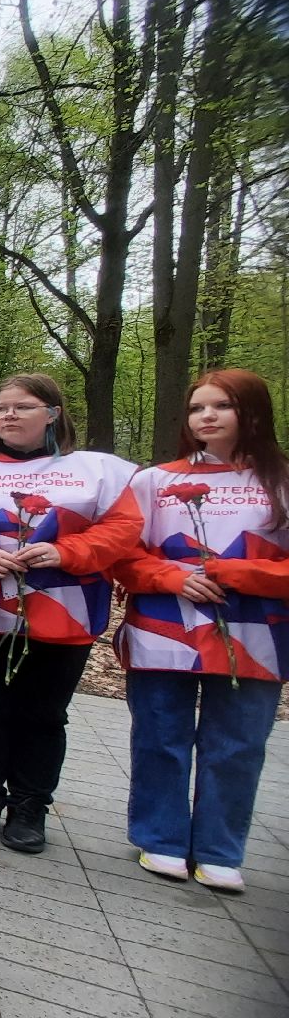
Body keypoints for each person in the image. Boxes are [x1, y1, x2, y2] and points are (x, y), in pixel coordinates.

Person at [0, 373, 140, 854]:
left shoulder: (98, 471)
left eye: (23, 407)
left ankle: (30, 808)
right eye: (1, 407)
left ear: (53, 414)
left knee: (44, 713)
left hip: (65, 606)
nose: (9, 415)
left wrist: (69, 552)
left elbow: (124, 528)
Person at [111, 368, 288, 893]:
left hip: (257, 634)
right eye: (197, 408)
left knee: (237, 743)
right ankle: (160, 838)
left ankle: (219, 850)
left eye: (221, 406)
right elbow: (122, 555)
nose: (206, 417)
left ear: (253, 413)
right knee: (161, 735)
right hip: (165, 628)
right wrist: (172, 577)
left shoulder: (279, 480)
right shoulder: (152, 481)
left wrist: (234, 573)